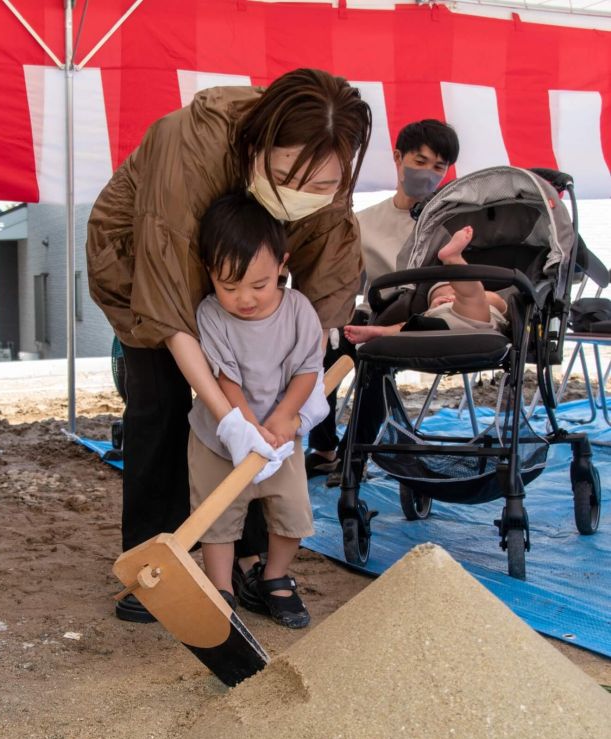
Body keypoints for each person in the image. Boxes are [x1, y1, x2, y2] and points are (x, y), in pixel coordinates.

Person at [86, 69, 371, 622]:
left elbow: (331, 267)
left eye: (319, 184)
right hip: (147, 258)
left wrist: (308, 378)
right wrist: (225, 415)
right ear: (258, 145)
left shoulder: (330, 164)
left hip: (252, 273)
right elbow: (169, 304)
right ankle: (158, 562)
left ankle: (251, 558)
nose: (300, 192)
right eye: (287, 174)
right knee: (165, 403)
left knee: (266, 407)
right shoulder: (190, 141)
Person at [189, 193, 328, 629]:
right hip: (218, 436)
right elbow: (224, 378)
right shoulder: (210, 314)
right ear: (209, 272)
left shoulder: (299, 310)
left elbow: (309, 369)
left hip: (282, 439)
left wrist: (285, 417)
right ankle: (220, 591)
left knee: (291, 510)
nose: (244, 298)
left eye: (259, 285)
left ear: (282, 265)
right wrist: (246, 425)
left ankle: (275, 576)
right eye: (229, 286)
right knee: (218, 516)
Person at [305, 118, 460, 483]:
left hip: (413, 324)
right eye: (419, 161)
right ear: (398, 157)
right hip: (367, 315)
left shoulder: (448, 226)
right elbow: (345, 285)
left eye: (438, 167)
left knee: (374, 363)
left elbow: (449, 291)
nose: (427, 173)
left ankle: (353, 456)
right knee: (323, 354)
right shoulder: (364, 222)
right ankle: (324, 447)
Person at [344, 226, 508, 345]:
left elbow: (490, 299)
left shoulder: (487, 303)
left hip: (443, 322)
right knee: (472, 296)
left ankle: (379, 331)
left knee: (408, 327)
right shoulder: (483, 302)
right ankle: (452, 260)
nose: (453, 290)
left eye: (453, 287)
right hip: (451, 320)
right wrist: (442, 302)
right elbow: (486, 298)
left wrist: (449, 300)